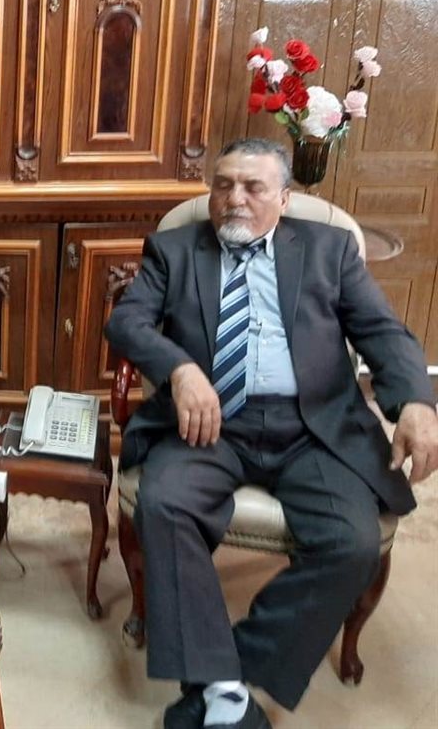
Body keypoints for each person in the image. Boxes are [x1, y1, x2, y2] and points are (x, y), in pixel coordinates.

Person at [106, 137, 438, 728]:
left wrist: (415, 401)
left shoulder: (329, 250)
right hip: (209, 423)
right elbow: (127, 322)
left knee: (353, 542)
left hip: (312, 426)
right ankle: (225, 693)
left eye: (252, 187)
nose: (234, 198)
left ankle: (226, 672)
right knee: (163, 504)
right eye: (223, 185)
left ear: (284, 199)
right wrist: (180, 370)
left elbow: (384, 333)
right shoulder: (174, 249)